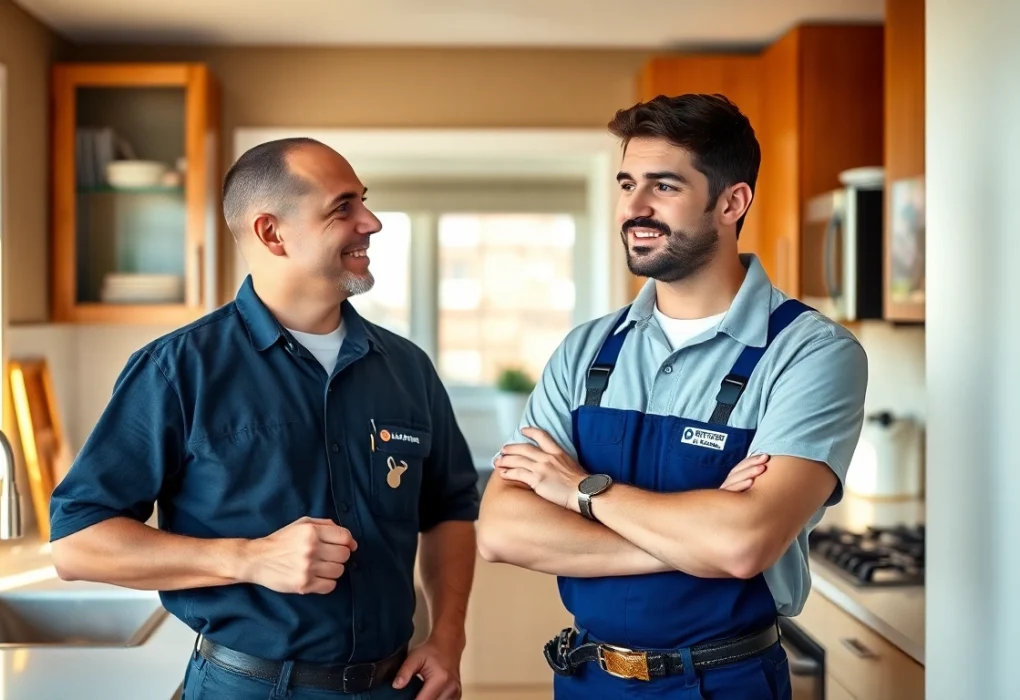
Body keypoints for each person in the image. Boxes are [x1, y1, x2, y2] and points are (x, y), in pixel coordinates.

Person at [48, 137, 480, 700]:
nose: (371, 222)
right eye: (342, 208)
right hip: (246, 687)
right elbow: (77, 543)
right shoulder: (177, 369)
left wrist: (448, 639)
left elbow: (449, 510)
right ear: (271, 233)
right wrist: (248, 558)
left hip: (396, 685)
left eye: (364, 202)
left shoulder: (407, 369)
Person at [476, 94, 868, 700]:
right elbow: (503, 530)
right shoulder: (585, 350)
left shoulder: (812, 353)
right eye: (627, 183)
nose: (634, 208)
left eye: (663, 186)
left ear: (732, 202)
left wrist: (581, 489)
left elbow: (744, 543)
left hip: (726, 682)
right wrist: (695, 536)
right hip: (586, 678)